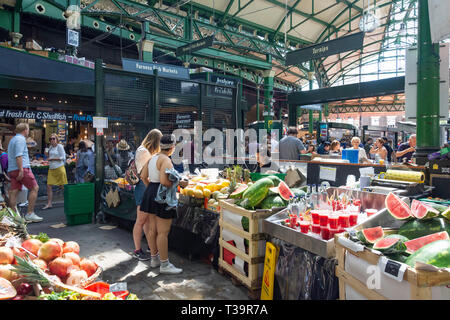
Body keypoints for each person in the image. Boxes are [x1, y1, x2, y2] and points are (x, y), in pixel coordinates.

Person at [140, 134, 183, 274]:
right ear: (172, 147)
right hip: (162, 195)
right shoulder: (166, 160)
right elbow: (165, 181)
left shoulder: (152, 158)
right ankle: (164, 265)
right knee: (163, 232)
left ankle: (154, 259)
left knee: (152, 230)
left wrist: (151, 189)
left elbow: (142, 176)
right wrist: (179, 182)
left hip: (151, 191)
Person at [132, 129, 163, 261]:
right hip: (144, 187)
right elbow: (146, 174)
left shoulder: (143, 150)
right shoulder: (143, 152)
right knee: (141, 220)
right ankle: (137, 250)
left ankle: (151, 247)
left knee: (147, 220)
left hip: (145, 186)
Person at [7, 123, 41, 222]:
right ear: (25, 130)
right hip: (22, 169)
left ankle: (14, 216)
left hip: (12, 169)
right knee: (35, 188)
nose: (28, 131)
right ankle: (30, 213)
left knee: (14, 192)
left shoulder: (12, 139)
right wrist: (21, 169)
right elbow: (19, 155)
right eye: (28, 129)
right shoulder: (21, 139)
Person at [42, 134, 68, 210]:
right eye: (50, 139)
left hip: (59, 168)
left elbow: (63, 157)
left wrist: (52, 159)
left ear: (57, 139)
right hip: (52, 168)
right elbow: (48, 157)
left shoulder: (59, 146)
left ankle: (69, 199)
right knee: (48, 185)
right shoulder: (50, 147)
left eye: (53, 138)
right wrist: (46, 154)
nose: (52, 140)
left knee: (62, 186)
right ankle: (49, 203)